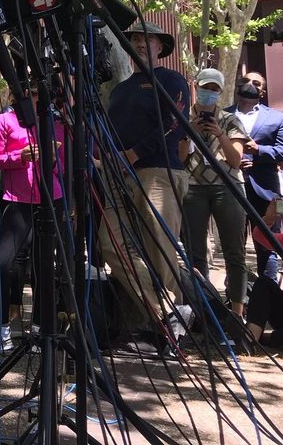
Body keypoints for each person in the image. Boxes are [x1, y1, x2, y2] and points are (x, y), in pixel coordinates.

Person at [101, 22, 191, 342]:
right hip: (119, 174)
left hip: (159, 172)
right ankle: (165, 312)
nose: (140, 43)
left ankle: (173, 325)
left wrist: (133, 153)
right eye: (136, 38)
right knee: (110, 243)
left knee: (160, 248)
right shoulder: (120, 89)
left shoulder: (172, 80)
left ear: (160, 47)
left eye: (147, 39)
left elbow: (175, 124)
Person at [0, 86, 66, 353]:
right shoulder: (5, 119)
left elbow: (68, 165)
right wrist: (20, 156)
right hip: (17, 199)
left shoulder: (57, 122)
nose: (38, 98)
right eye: (32, 93)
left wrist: (53, 160)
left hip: (51, 198)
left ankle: (40, 330)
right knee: (1, 264)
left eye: (42, 93)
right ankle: (2, 329)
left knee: (44, 266)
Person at [182, 68, 249, 317]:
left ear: (220, 92)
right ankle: (204, 312)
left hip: (227, 187)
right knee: (195, 253)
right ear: (196, 87)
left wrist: (220, 134)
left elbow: (236, 160)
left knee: (234, 252)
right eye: (205, 88)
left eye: (214, 90)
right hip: (193, 188)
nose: (208, 93)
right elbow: (179, 158)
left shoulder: (230, 120)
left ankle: (237, 313)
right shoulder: (182, 118)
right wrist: (190, 132)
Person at [230, 72, 283, 277]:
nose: (249, 84)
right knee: (233, 248)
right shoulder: (223, 115)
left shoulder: (277, 117)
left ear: (263, 91)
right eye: (245, 81)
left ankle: (269, 293)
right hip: (229, 187)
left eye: (256, 83)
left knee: (267, 247)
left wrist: (259, 151)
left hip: (264, 191)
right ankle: (236, 294)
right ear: (237, 85)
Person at [246, 203, 283, 348]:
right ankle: (250, 340)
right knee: (263, 283)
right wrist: (268, 220)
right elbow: (259, 236)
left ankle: (269, 339)